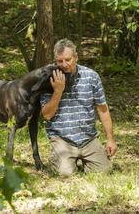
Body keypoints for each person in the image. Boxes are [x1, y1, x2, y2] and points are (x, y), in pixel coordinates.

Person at [40, 39, 117, 176]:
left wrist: (110, 138)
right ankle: (62, 159)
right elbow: (46, 115)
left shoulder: (91, 76)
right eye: (59, 61)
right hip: (62, 140)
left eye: (68, 60)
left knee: (104, 171)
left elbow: (103, 109)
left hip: (88, 139)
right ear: (55, 61)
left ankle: (85, 159)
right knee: (65, 174)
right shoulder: (48, 78)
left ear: (76, 57)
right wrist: (58, 91)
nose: (64, 64)